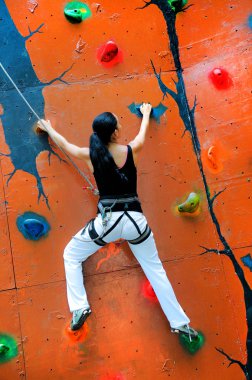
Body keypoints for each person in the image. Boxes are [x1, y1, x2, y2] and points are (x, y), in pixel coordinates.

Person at [37, 104, 198, 340]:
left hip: (108, 222)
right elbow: (141, 136)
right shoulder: (130, 150)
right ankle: (181, 323)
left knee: (71, 255)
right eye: (118, 124)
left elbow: (65, 146)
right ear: (114, 132)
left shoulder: (89, 154)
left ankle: (80, 306)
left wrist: (49, 130)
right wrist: (144, 115)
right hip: (136, 221)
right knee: (155, 270)